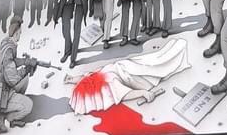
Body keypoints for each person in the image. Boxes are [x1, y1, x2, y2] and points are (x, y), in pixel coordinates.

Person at [61, 38, 190, 114]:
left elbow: (125, 94)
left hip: (130, 72)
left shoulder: (106, 84)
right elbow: (83, 77)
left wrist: (143, 93)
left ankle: (177, 53)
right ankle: (176, 50)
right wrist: (71, 79)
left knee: (157, 65)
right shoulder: (95, 77)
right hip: (126, 67)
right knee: (155, 62)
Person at [0, 17, 38, 132]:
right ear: (16, 33)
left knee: (25, 79)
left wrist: (25, 61)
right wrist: (26, 69)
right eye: (19, 33)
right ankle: (9, 117)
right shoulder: (9, 50)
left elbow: (12, 62)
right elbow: (12, 79)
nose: (20, 35)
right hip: (5, 93)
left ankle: (10, 110)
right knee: (29, 105)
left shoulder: (8, 44)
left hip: (6, 88)